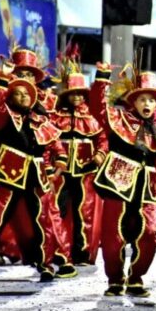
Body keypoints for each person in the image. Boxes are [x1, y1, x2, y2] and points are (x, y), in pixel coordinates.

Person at [90, 65, 156, 298]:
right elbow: (97, 109)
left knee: (149, 233)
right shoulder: (119, 119)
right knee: (113, 235)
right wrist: (102, 79)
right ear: (134, 102)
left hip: (146, 188)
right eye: (142, 100)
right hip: (118, 183)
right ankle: (115, 280)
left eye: (151, 100)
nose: (147, 104)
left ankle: (136, 278)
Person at [0, 62, 67, 282]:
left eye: (27, 94)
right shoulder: (4, 114)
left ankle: (45, 264)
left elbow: (55, 144)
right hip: (8, 173)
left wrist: (60, 162)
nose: (23, 97)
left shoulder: (41, 120)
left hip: (36, 176)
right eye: (17, 94)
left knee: (42, 221)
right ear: (10, 97)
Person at [51, 70, 107, 265]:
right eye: (73, 93)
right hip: (61, 171)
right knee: (58, 210)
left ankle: (81, 252)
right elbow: (51, 139)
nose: (77, 97)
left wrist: (100, 155)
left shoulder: (92, 116)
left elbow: (102, 139)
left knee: (84, 212)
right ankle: (58, 250)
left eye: (80, 94)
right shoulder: (57, 116)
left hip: (86, 170)